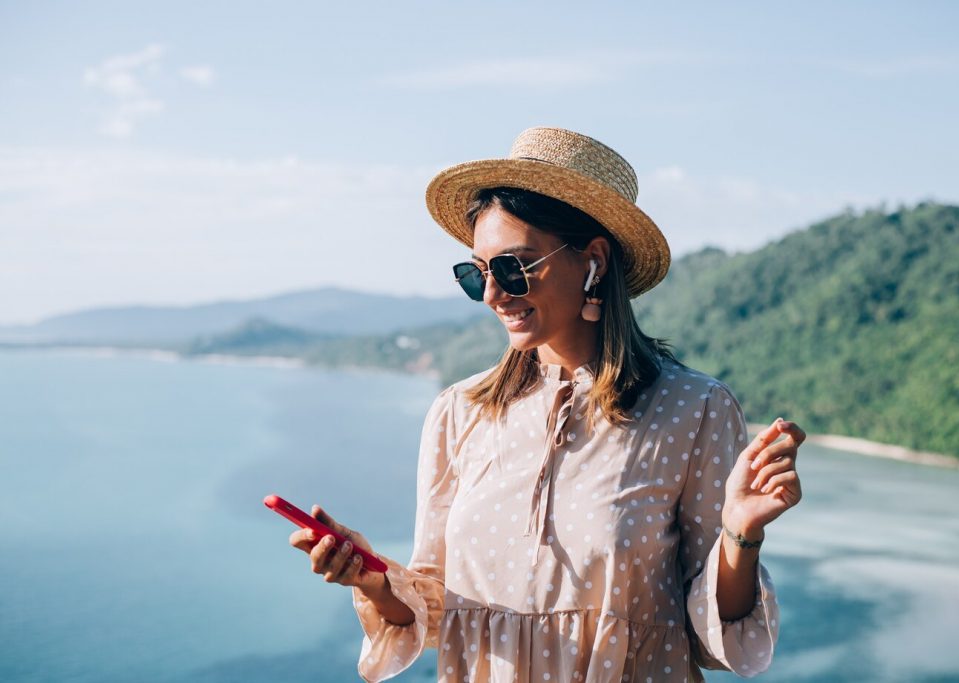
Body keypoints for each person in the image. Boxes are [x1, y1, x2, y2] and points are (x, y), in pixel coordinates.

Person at [289, 127, 805, 682]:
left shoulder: (694, 409)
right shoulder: (459, 412)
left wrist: (740, 533)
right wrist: (373, 581)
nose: (492, 294)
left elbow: (714, 636)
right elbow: (435, 612)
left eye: (514, 268)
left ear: (595, 261)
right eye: (476, 274)